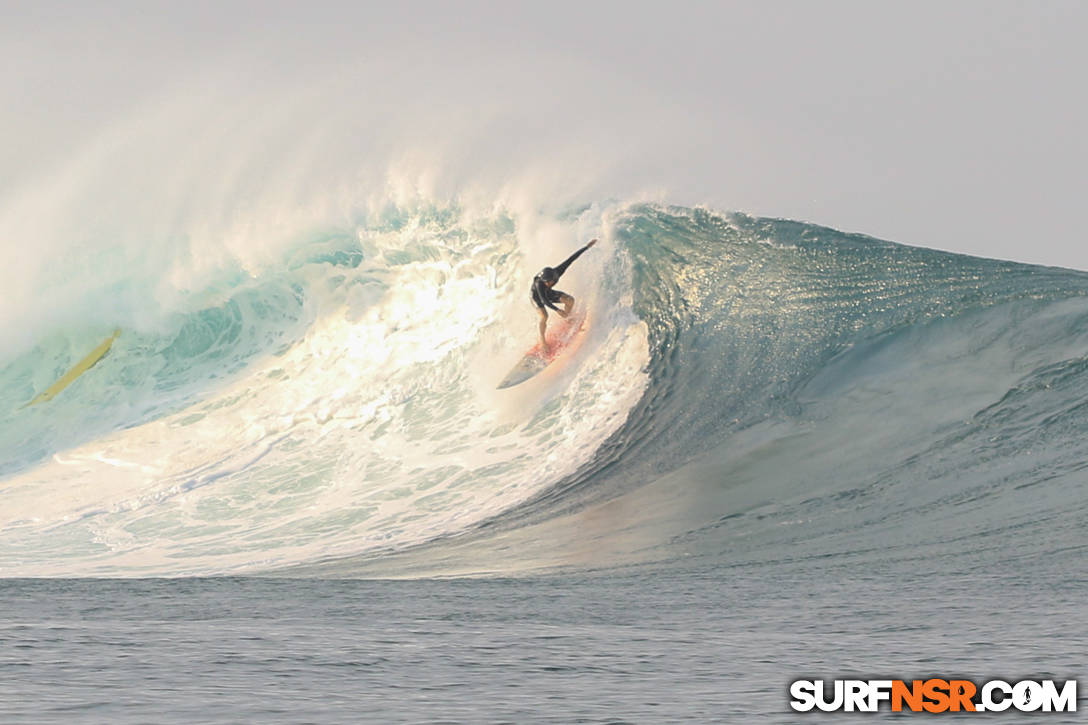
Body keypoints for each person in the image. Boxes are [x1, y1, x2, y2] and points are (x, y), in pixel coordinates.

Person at [531, 238, 597, 351]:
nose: (546, 283)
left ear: (552, 278)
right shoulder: (539, 284)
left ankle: (567, 317)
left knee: (570, 300)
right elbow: (544, 300)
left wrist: (586, 247)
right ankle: (542, 341)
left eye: (548, 282)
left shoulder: (557, 271)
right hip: (537, 297)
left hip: (548, 293)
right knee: (544, 316)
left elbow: (571, 259)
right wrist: (557, 309)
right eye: (545, 281)